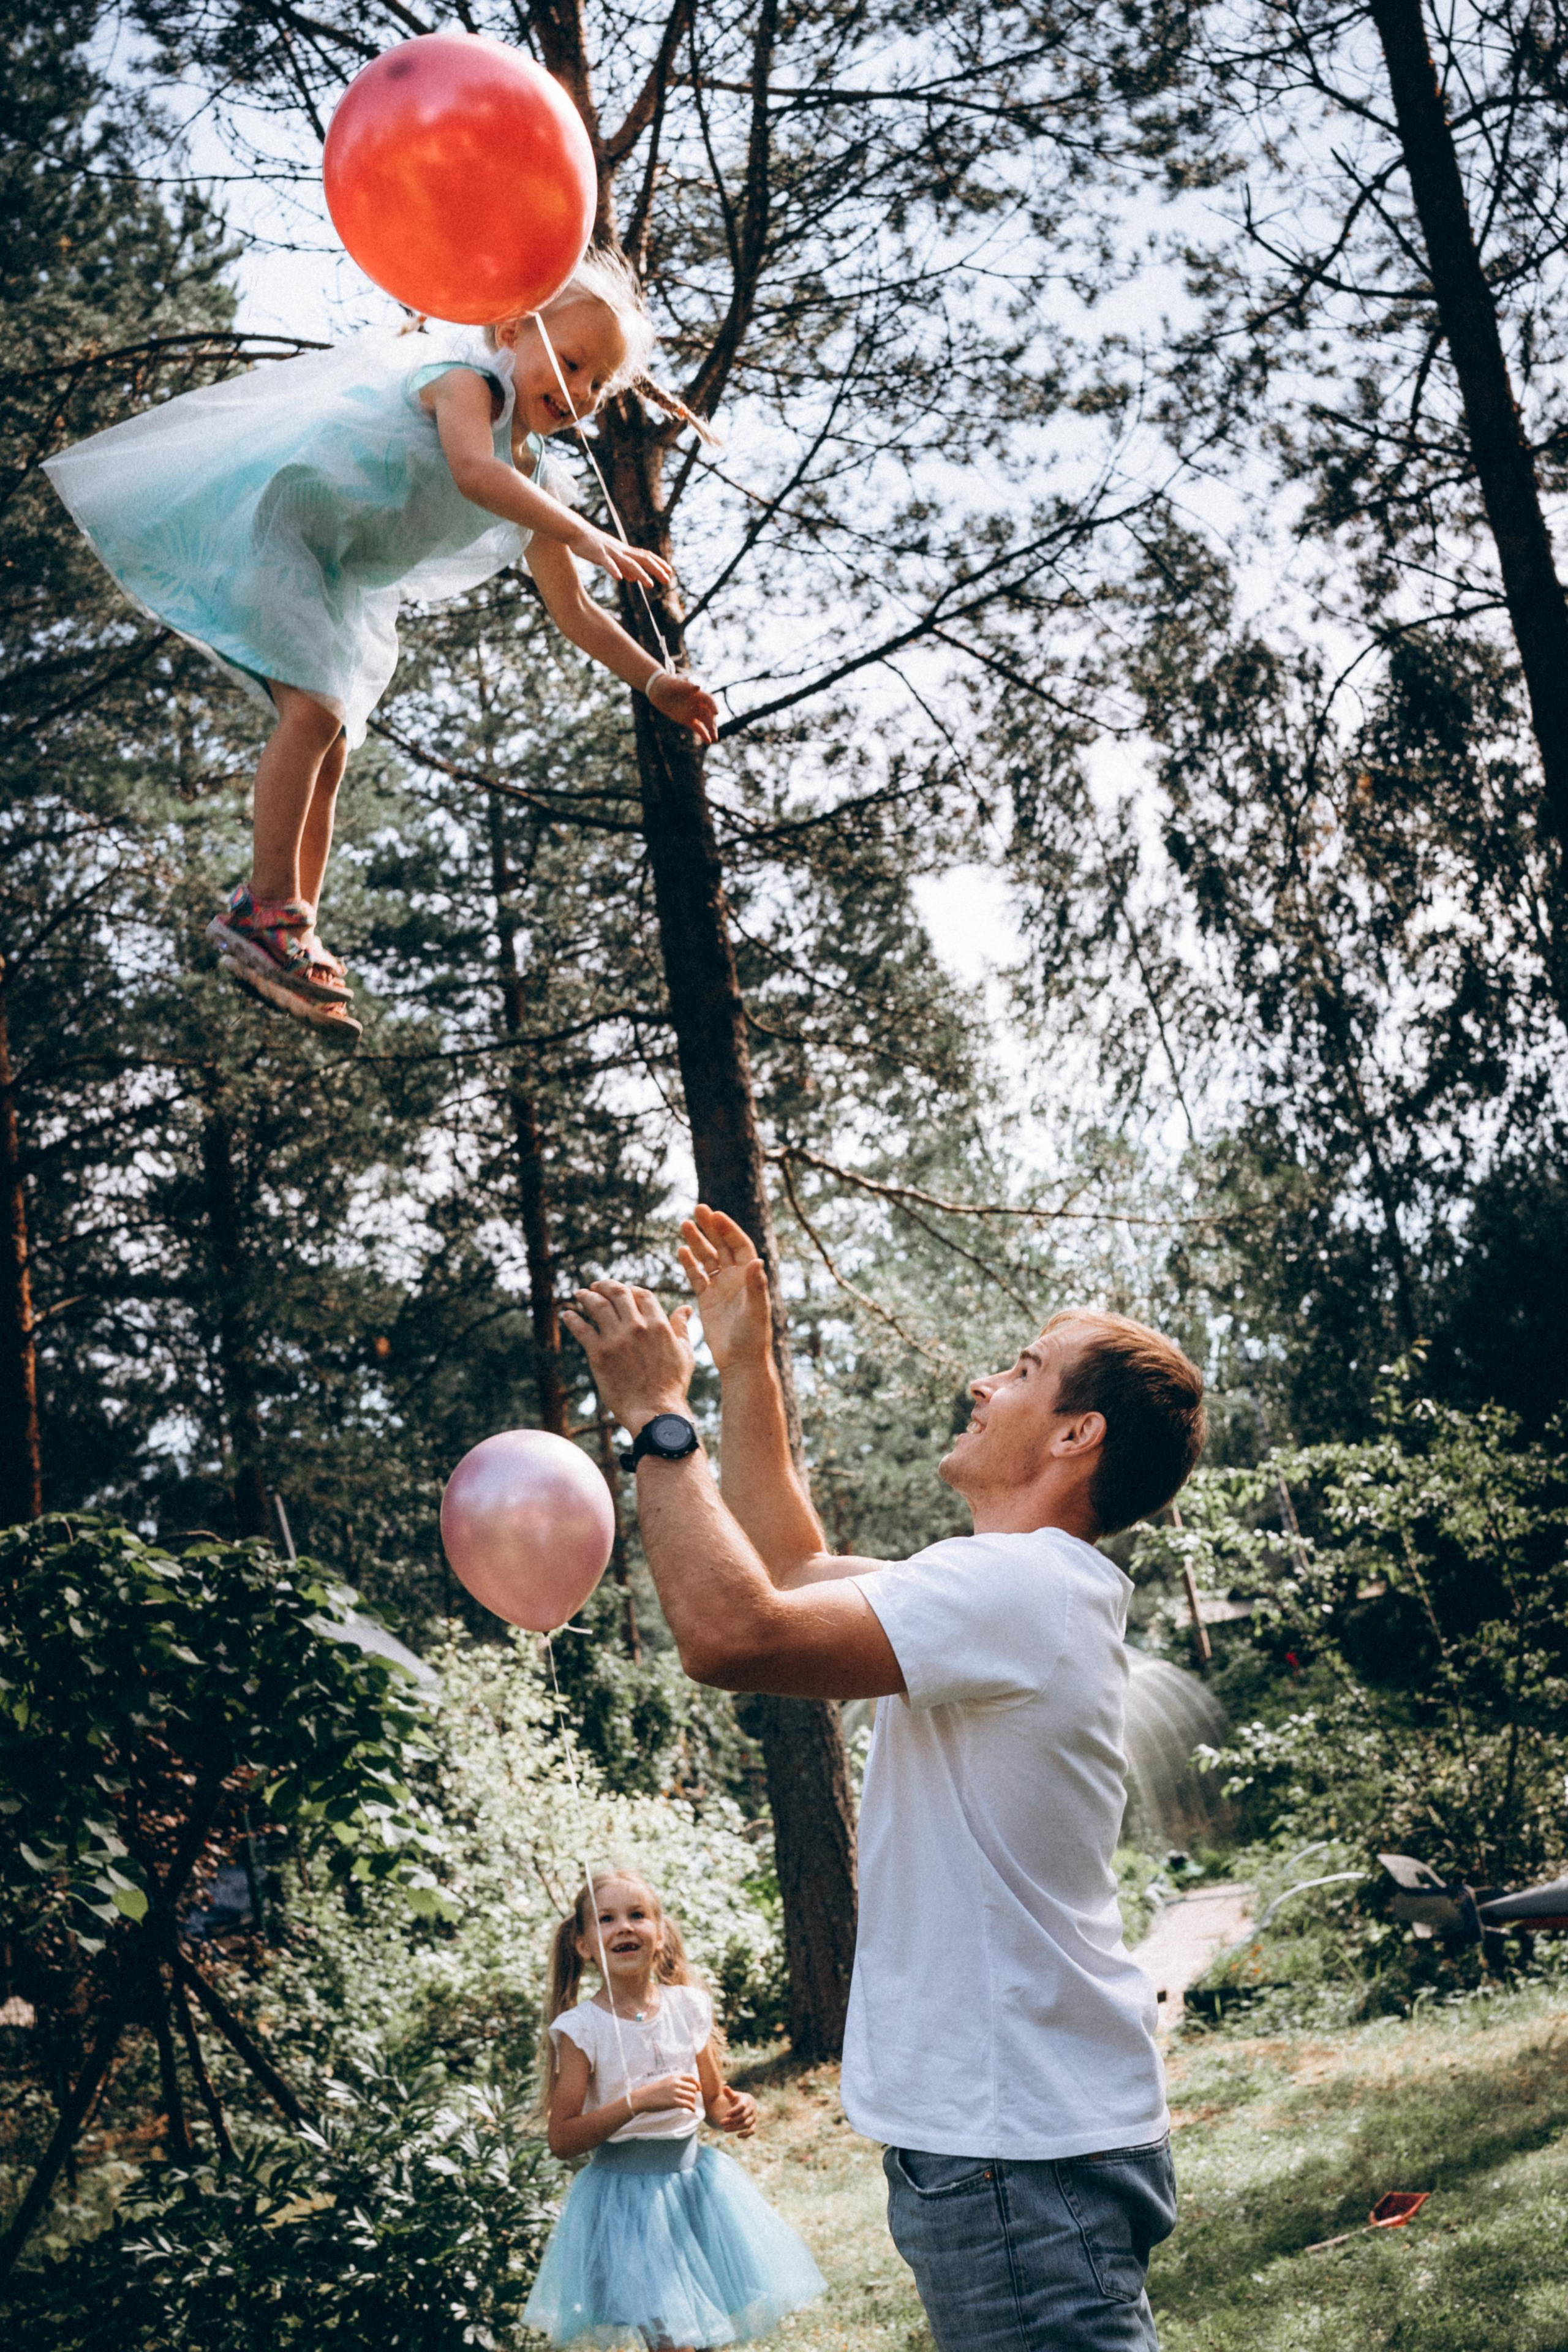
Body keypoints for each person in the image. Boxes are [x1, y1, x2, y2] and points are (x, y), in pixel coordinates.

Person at [560, 1207, 1208, 2352]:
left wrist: (660, 1420)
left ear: (1076, 1435)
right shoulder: (1011, 1589)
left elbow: (732, 1633)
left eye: (1022, 1370)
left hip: (1019, 2155)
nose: (981, 1382)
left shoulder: (1020, 1591)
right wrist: (745, 1364)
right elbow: (790, 1567)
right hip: (1016, 2150)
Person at [43, 249, 718, 1047]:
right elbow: (471, 471)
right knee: (317, 714)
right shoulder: (465, 381)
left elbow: (571, 610)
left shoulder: (535, 475)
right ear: (511, 328)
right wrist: (587, 535)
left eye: (597, 385)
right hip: (293, 519)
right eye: (570, 362)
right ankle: (263, 909)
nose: (578, 392)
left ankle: (289, 930)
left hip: (342, 575)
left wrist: (654, 682)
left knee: (331, 747)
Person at [523, 1866, 826, 2351]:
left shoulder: (689, 2007)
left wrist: (736, 2109)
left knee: (702, 2337)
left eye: (637, 1915)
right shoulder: (582, 2029)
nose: (624, 1926)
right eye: (606, 1919)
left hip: (697, 2191)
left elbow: (712, 2098)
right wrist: (636, 2103)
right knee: (674, 2343)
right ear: (583, 1945)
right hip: (627, 2204)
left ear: (660, 1935)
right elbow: (562, 2139)